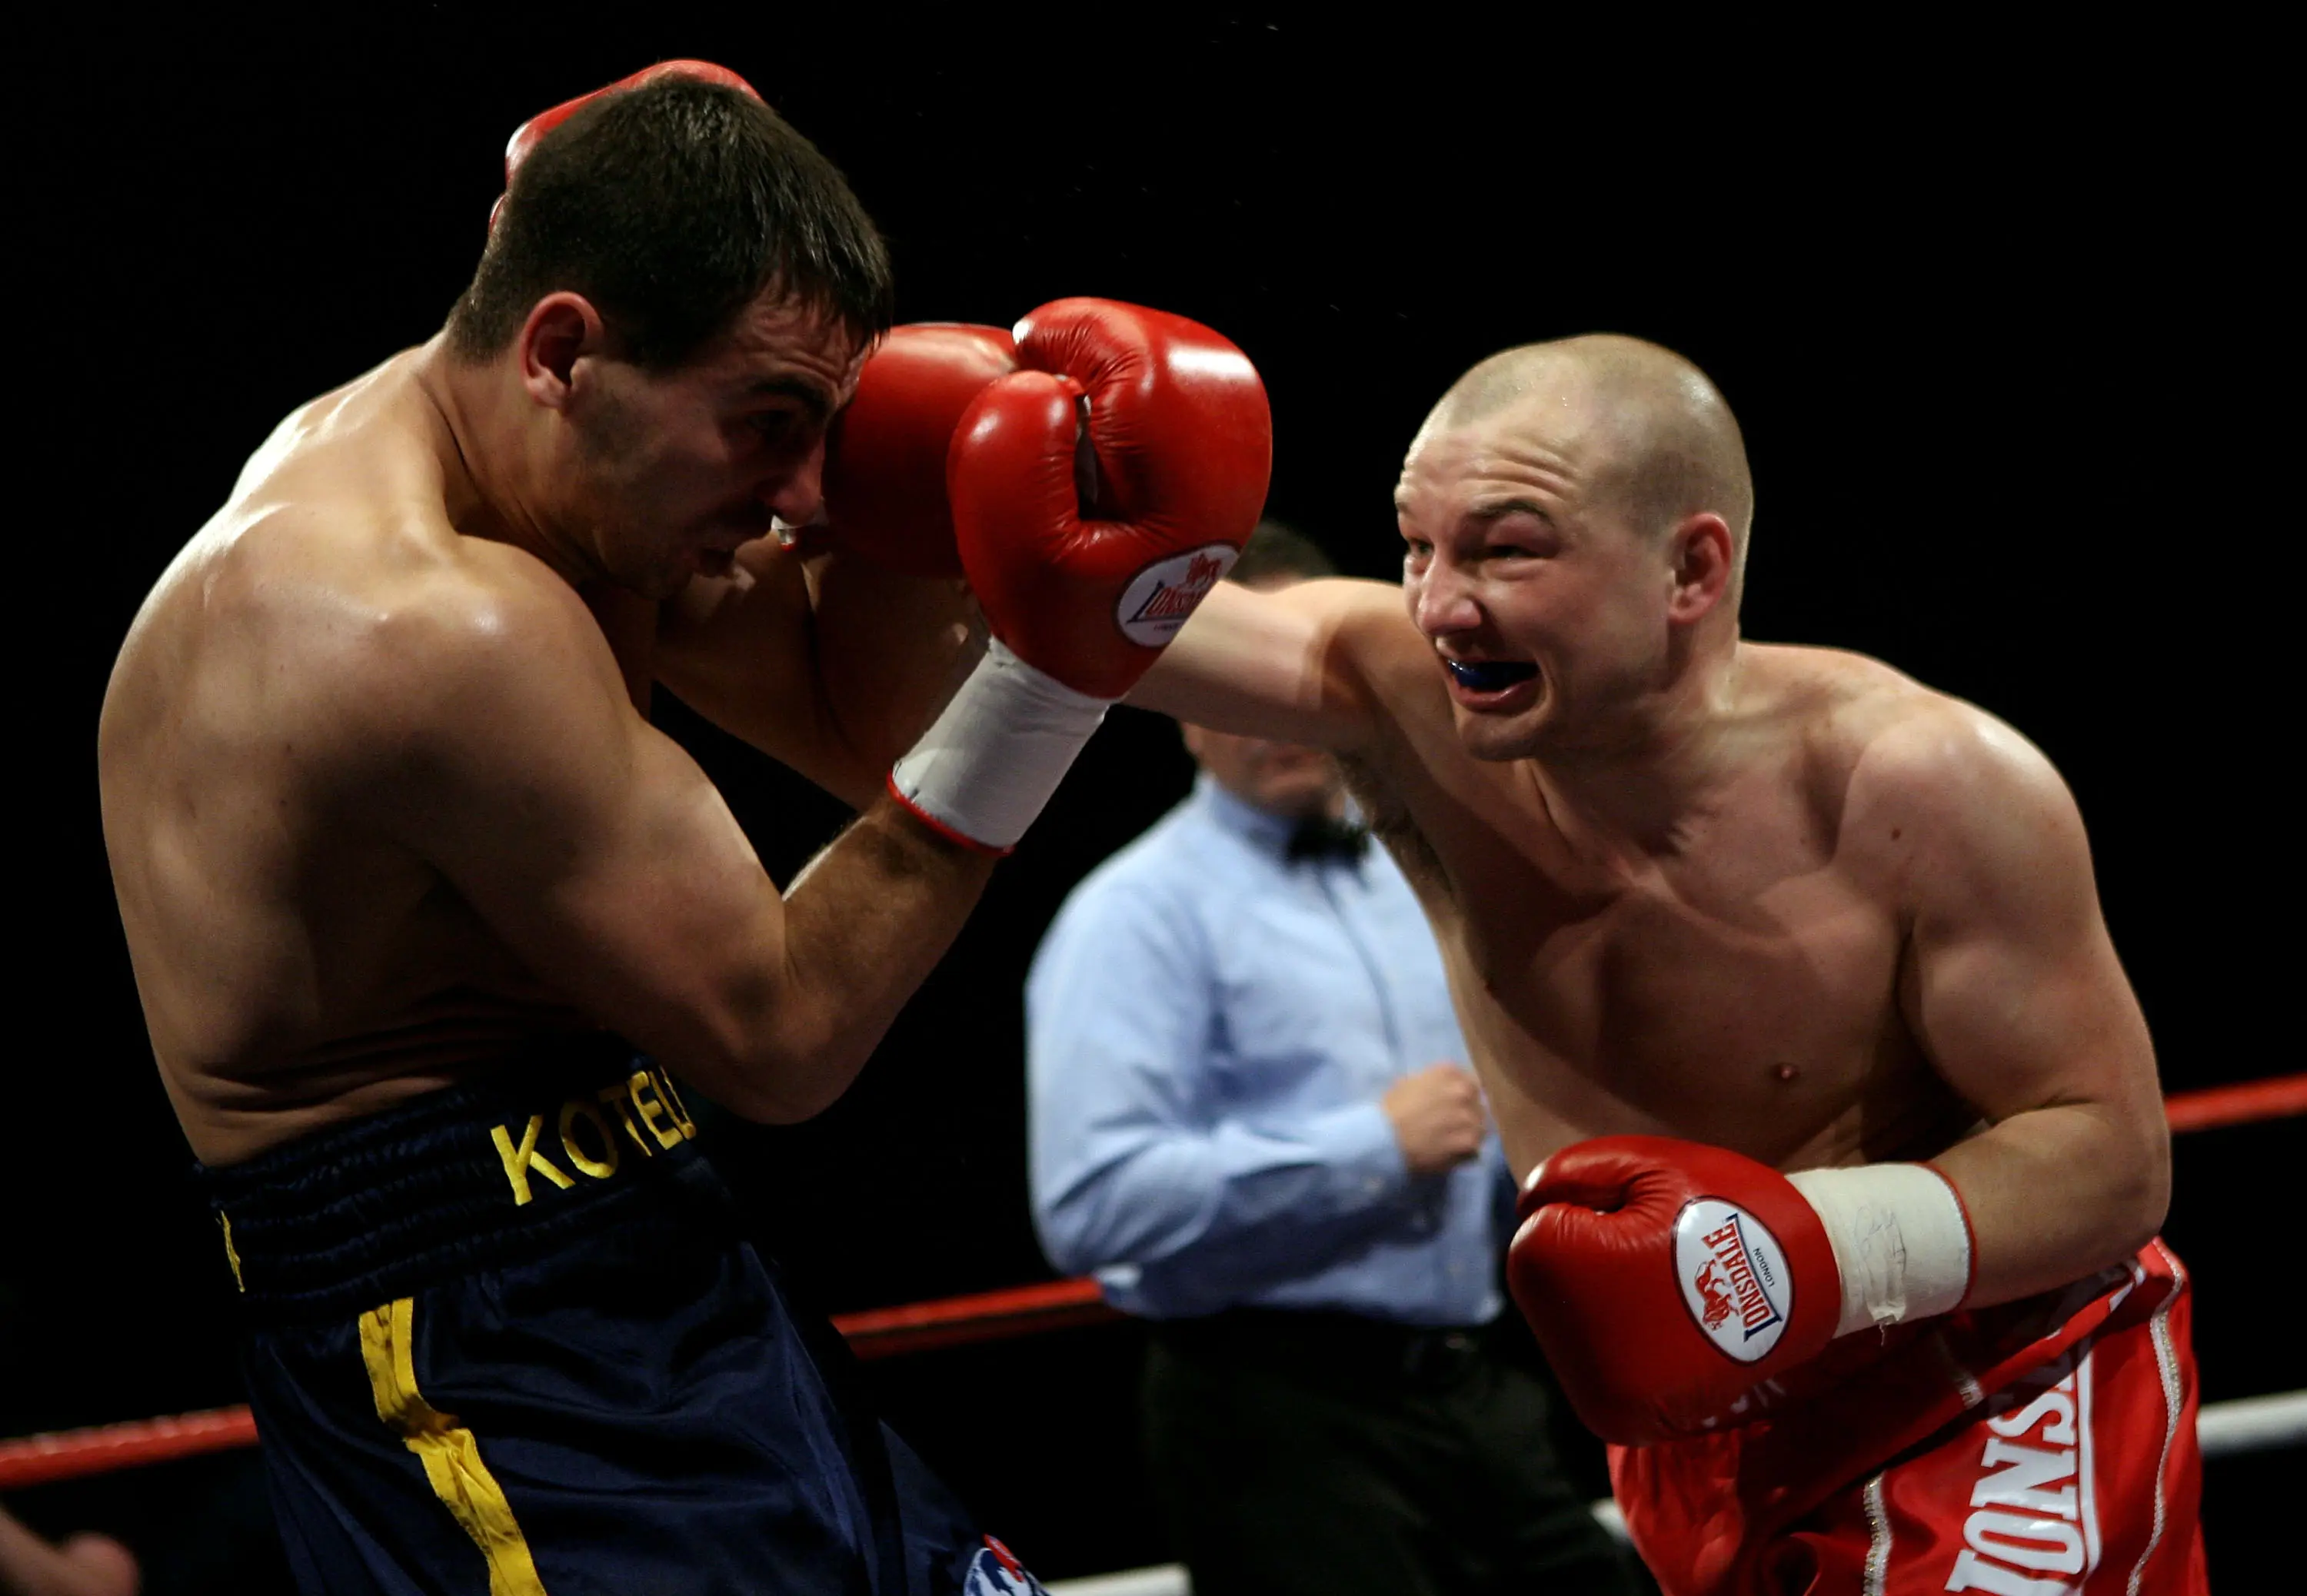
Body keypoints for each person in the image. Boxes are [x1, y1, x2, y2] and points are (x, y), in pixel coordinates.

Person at [97, 62, 1267, 1596]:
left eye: (822, 430)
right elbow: (784, 1033)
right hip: (476, 1363)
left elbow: (874, 753)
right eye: (766, 426)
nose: (793, 499)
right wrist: (1053, 678)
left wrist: (914, 519)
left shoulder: (562, 480)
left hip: (662, 1262)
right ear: (564, 349)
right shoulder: (420, 617)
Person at [1133, 336, 2202, 1594]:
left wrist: (1809, 1249)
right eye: (1418, 546)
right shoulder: (1394, 696)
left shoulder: (1921, 784)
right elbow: (1075, 634)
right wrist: (936, 475)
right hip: (1693, 1439)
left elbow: (2114, 1155)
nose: (1439, 605)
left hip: (1993, 1371)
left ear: (1692, 567)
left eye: (1505, 549)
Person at [1028, 524, 1640, 1596]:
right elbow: (1091, 1203)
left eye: (1307, 674)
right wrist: (1370, 1149)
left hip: (1473, 1378)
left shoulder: (1426, 868)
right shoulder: (1136, 915)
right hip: (1274, 1416)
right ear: (1182, 705)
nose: (1281, 715)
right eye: (1247, 678)